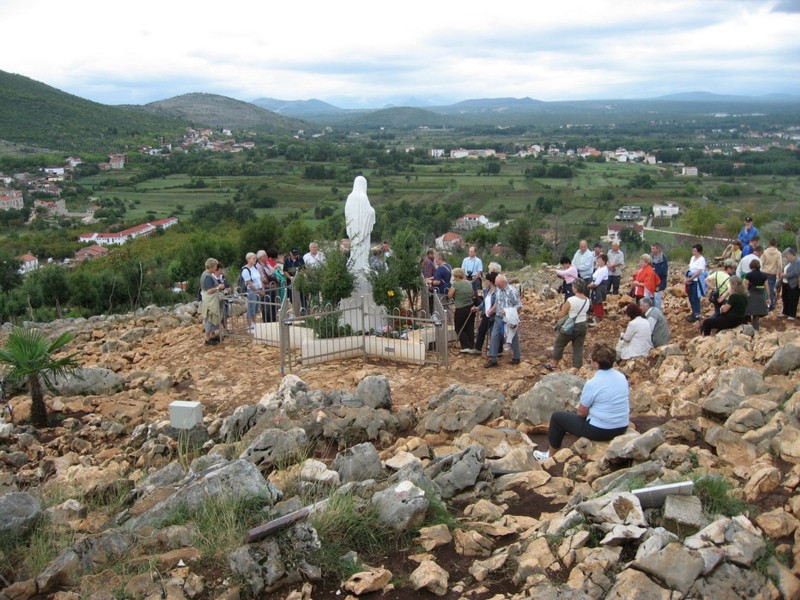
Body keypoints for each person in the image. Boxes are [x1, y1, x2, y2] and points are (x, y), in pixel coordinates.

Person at [534, 344, 630, 463]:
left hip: (601, 430)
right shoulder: (622, 377)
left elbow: (581, 413)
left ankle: (550, 456)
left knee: (557, 418)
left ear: (596, 364)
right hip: (622, 426)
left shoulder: (593, 383)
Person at [544, 279, 590, 371]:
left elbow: (562, 314)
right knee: (578, 347)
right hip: (583, 324)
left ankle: (554, 365)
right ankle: (577, 368)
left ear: (576, 288)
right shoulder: (587, 300)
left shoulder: (571, 300)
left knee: (559, 343)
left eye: (573, 286)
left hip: (572, 325)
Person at [485, 275, 522, 368]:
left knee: (513, 337)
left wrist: (509, 312)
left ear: (504, 282)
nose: (497, 286)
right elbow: (497, 302)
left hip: (509, 318)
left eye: (498, 284)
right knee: (494, 336)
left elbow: (519, 305)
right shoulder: (498, 290)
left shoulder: (512, 291)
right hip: (498, 317)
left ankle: (516, 357)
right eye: (496, 284)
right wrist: (491, 310)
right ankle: (493, 358)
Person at [344, 176, 375, 273]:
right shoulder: (363, 197)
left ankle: (355, 265)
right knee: (363, 248)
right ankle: (361, 265)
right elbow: (369, 212)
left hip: (353, 230)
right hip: (363, 230)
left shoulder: (350, 197)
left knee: (355, 248)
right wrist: (373, 211)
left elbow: (347, 213)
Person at [449, 268, 478, 354]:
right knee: (470, 327)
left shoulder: (455, 284)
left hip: (460, 308)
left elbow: (450, 295)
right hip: (470, 307)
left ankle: (466, 345)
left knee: (459, 327)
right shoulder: (469, 283)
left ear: (457, 276)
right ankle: (471, 345)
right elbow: (472, 293)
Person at [200, 258, 224, 345]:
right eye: (215, 267)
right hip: (210, 301)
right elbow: (209, 291)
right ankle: (207, 338)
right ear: (211, 267)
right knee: (210, 318)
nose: (216, 268)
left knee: (213, 318)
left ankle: (213, 336)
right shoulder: (207, 276)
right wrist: (218, 287)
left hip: (210, 300)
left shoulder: (206, 274)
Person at [473, 272, 497, 355]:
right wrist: (478, 307)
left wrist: (493, 310)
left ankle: (496, 350)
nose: (484, 281)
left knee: (493, 333)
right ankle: (478, 349)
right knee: (481, 330)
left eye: (486, 279)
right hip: (486, 314)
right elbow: (484, 302)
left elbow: (497, 303)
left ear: (490, 281)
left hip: (494, 315)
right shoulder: (487, 290)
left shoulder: (498, 291)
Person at [241, 252, 264, 332]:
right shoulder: (245, 270)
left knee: (255, 308)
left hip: (258, 289)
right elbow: (249, 283)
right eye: (253, 258)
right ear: (249, 259)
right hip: (252, 291)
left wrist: (262, 289)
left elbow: (259, 279)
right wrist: (257, 291)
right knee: (251, 308)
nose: (255, 260)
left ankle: (254, 324)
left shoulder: (254, 267)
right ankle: (250, 326)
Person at [744, 259, 769, 331]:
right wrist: (768, 297)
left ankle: (747, 328)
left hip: (751, 294)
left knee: (747, 311)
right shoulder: (764, 275)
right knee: (756, 314)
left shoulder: (749, 275)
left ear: (751, 266)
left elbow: (746, 287)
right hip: (760, 294)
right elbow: (767, 287)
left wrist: (746, 295)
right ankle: (756, 329)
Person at [685, 244, 707, 322]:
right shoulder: (692, 258)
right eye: (693, 250)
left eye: (694, 250)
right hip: (691, 280)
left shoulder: (701, 259)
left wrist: (691, 278)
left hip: (696, 281)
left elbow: (699, 271)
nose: (693, 252)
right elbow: (691, 268)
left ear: (699, 251)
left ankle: (697, 314)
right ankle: (694, 312)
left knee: (695, 297)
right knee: (691, 297)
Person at [761, 239, 783, 311]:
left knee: (763, 288)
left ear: (769, 244)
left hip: (764, 272)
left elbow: (762, 262)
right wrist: (780, 272)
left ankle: (762, 304)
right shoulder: (778, 253)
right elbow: (779, 264)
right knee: (770, 288)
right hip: (772, 273)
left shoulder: (764, 252)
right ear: (776, 244)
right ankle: (770, 305)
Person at [588, 253, 609, 324]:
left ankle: (598, 317)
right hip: (596, 287)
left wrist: (589, 286)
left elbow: (597, 282)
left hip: (599, 288)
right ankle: (598, 315)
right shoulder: (600, 268)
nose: (598, 262)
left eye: (599, 260)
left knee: (597, 302)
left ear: (604, 261)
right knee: (595, 302)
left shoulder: (603, 270)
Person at [780, 248, 800, 320]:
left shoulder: (797, 262)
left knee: (793, 299)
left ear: (791, 254)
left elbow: (795, 272)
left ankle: (792, 314)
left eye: (787, 255)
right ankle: (785, 312)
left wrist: (785, 275)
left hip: (793, 284)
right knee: (785, 298)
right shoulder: (788, 262)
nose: (786, 257)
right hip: (785, 283)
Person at [212, 261, 232, 330]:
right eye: (221, 269)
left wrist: (229, 289)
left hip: (225, 298)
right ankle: (219, 330)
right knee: (220, 315)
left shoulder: (222, 277)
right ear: (218, 269)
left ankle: (225, 328)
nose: (222, 271)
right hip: (218, 299)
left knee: (225, 314)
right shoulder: (213, 278)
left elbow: (227, 284)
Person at [651, 243, 669, 309]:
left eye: (653, 249)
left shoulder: (663, 258)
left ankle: (658, 312)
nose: (652, 250)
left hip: (659, 281)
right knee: (651, 297)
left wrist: (655, 270)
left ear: (658, 249)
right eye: (651, 249)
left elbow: (664, 271)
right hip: (652, 281)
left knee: (657, 297)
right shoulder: (651, 257)